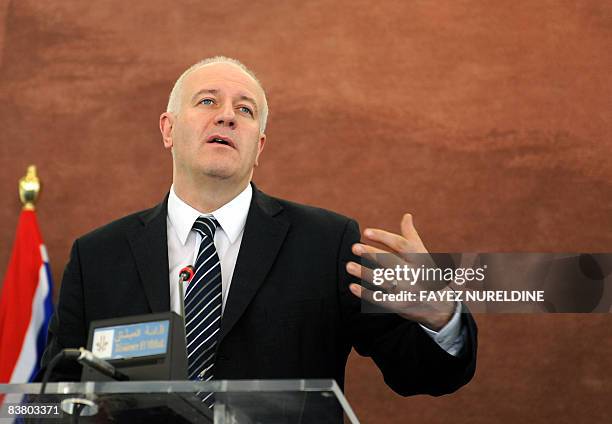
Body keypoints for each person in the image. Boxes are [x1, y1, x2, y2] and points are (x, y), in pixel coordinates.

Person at [41, 57, 477, 397]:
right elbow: (48, 398)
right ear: (168, 129)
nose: (227, 116)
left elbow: (422, 375)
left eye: (244, 110)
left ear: (259, 145)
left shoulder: (326, 244)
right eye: (208, 101)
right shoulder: (98, 257)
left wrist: (441, 318)